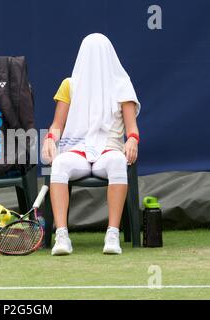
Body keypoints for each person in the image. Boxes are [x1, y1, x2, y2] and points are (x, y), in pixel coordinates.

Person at [42, 33, 141, 256]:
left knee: (117, 162)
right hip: (76, 150)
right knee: (58, 166)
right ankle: (62, 235)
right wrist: (50, 139)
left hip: (109, 149)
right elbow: (57, 124)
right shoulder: (69, 85)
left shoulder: (122, 85)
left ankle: (112, 233)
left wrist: (133, 140)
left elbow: (131, 128)